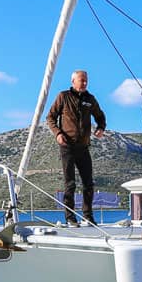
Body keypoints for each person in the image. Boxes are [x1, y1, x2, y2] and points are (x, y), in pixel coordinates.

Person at [46, 69, 106, 226]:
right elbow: (50, 117)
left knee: (88, 183)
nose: (84, 83)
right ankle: (70, 217)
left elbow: (100, 116)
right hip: (67, 146)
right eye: (81, 80)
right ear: (73, 81)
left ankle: (88, 215)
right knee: (70, 183)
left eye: (86, 80)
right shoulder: (63, 96)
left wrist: (101, 128)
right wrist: (58, 133)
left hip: (84, 147)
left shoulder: (90, 99)